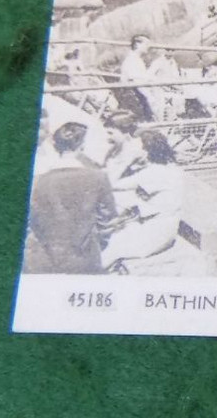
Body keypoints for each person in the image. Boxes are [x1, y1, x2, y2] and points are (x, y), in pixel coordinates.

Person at [24, 122, 115, 274]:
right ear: (82, 146)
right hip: (84, 258)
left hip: (41, 261)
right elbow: (108, 218)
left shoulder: (36, 181)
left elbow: (30, 221)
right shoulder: (98, 177)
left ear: (55, 146)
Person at [102, 131, 184, 271]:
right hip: (162, 229)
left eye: (136, 148)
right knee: (110, 237)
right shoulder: (165, 168)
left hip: (154, 234)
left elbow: (109, 184)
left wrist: (126, 160)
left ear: (146, 152)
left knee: (110, 249)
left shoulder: (153, 173)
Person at [116, 34, 153, 121]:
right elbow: (136, 81)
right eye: (146, 44)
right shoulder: (132, 60)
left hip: (138, 92)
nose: (148, 47)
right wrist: (149, 97)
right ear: (137, 44)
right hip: (134, 94)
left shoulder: (137, 59)